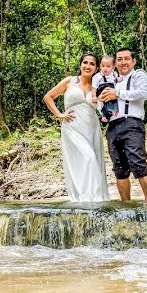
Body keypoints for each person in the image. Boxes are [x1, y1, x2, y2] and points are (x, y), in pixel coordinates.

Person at [43, 54, 110, 202]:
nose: (88, 66)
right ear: (80, 65)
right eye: (85, 62)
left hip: (92, 127)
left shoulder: (97, 85)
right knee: (88, 159)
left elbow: (106, 104)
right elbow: (48, 97)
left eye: (92, 64)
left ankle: (94, 200)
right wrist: (59, 114)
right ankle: (88, 198)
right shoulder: (70, 81)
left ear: (97, 68)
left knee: (94, 161)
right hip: (72, 128)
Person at [97, 48, 147, 202]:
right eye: (119, 59)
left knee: (138, 161)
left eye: (126, 59)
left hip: (132, 124)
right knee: (119, 168)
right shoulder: (111, 81)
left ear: (133, 61)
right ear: (115, 63)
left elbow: (143, 93)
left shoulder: (138, 75)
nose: (123, 62)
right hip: (113, 127)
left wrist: (119, 94)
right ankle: (126, 206)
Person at [92, 55, 120, 124]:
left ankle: (115, 113)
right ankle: (102, 116)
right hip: (102, 92)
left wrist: (118, 79)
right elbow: (94, 87)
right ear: (100, 66)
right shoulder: (97, 76)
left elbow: (117, 82)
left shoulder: (114, 74)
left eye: (108, 66)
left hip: (112, 92)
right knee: (100, 104)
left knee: (115, 103)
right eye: (103, 66)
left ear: (113, 67)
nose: (105, 68)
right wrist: (94, 96)